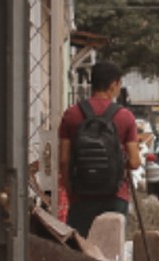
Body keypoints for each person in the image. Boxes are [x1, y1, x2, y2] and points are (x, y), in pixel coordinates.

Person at [58, 60, 141, 237]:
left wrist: (70, 189)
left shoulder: (72, 114)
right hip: (115, 195)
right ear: (113, 84)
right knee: (111, 253)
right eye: (119, 84)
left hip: (81, 195)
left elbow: (64, 160)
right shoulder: (125, 116)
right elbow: (134, 162)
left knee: (80, 249)